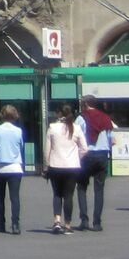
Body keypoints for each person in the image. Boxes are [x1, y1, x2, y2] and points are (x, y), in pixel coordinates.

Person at [42, 104, 88, 235]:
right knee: (69, 195)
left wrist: (46, 166)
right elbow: (85, 149)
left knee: (57, 194)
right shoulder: (77, 128)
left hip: (55, 165)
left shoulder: (52, 128)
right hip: (72, 166)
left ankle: (57, 221)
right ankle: (68, 225)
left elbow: (47, 150)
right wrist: (76, 157)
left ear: (58, 114)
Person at [0, 104, 26, 235]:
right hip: (15, 167)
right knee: (15, 197)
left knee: (0, 197)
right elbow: (20, 147)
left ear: (2, 115)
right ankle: (15, 224)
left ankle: (1, 223)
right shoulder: (18, 131)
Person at [77, 95, 113, 231]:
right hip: (102, 155)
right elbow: (112, 140)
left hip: (87, 155)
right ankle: (97, 223)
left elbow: (75, 135)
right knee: (99, 190)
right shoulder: (106, 118)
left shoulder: (81, 118)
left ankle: (84, 220)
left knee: (81, 187)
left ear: (86, 104)